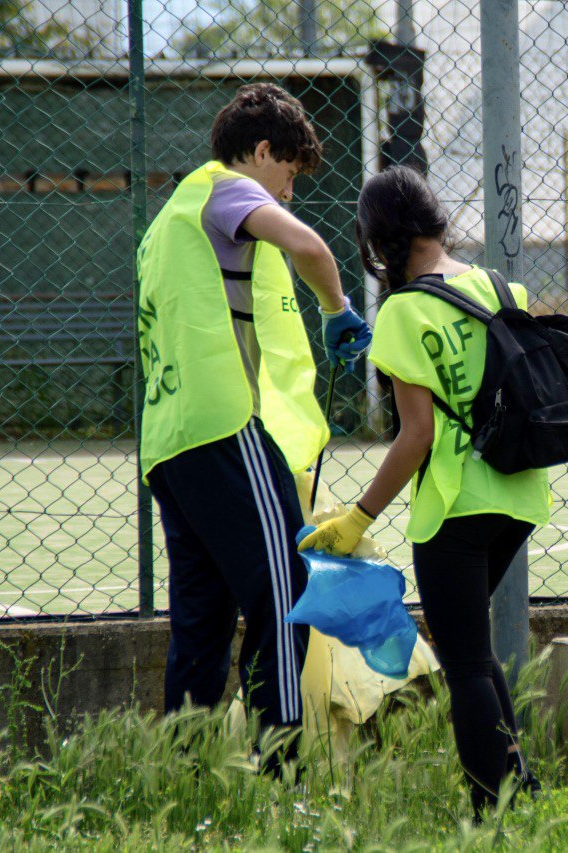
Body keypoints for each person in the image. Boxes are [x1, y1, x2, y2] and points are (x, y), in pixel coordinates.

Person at [298, 165, 549, 817]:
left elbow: (416, 437)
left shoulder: (403, 312)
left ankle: (487, 812)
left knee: (463, 662)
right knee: (473, 644)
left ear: (378, 243)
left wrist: (357, 517)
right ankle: (518, 781)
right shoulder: (499, 284)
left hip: (456, 506)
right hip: (518, 493)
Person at [137, 83, 372, 746]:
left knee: (201, 615)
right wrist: (336, 309)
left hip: (169, 440)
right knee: (287, 587)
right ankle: (282, 765)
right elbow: (310, 246)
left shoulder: (171, 217)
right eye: (288, 173)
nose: (288, 191)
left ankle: (189, 771)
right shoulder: (227, 189)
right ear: (262, 151)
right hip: (220, 424)